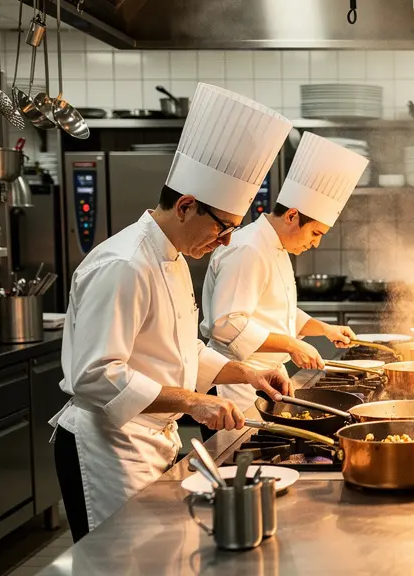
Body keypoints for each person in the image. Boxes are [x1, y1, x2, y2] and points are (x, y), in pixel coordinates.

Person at [51, 83, 294, 541]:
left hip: (150, 439)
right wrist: (192, 401)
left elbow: (181, 350)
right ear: (186, 205)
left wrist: (244, 372)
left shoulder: (175, 257)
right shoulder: (125, 264)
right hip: (110, 447)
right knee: (120, 567)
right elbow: (95, 374)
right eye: (224, 228)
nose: (226, 242)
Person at [202, 132, 368, 411]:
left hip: (265, 381)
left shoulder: (274, 246)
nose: (315, 243)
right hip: (236, 386)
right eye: (315, 233)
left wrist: (325, 330)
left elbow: (277, 312)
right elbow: (227, 324)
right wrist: (292, 345)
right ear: (292, 216)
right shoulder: (248, 249)